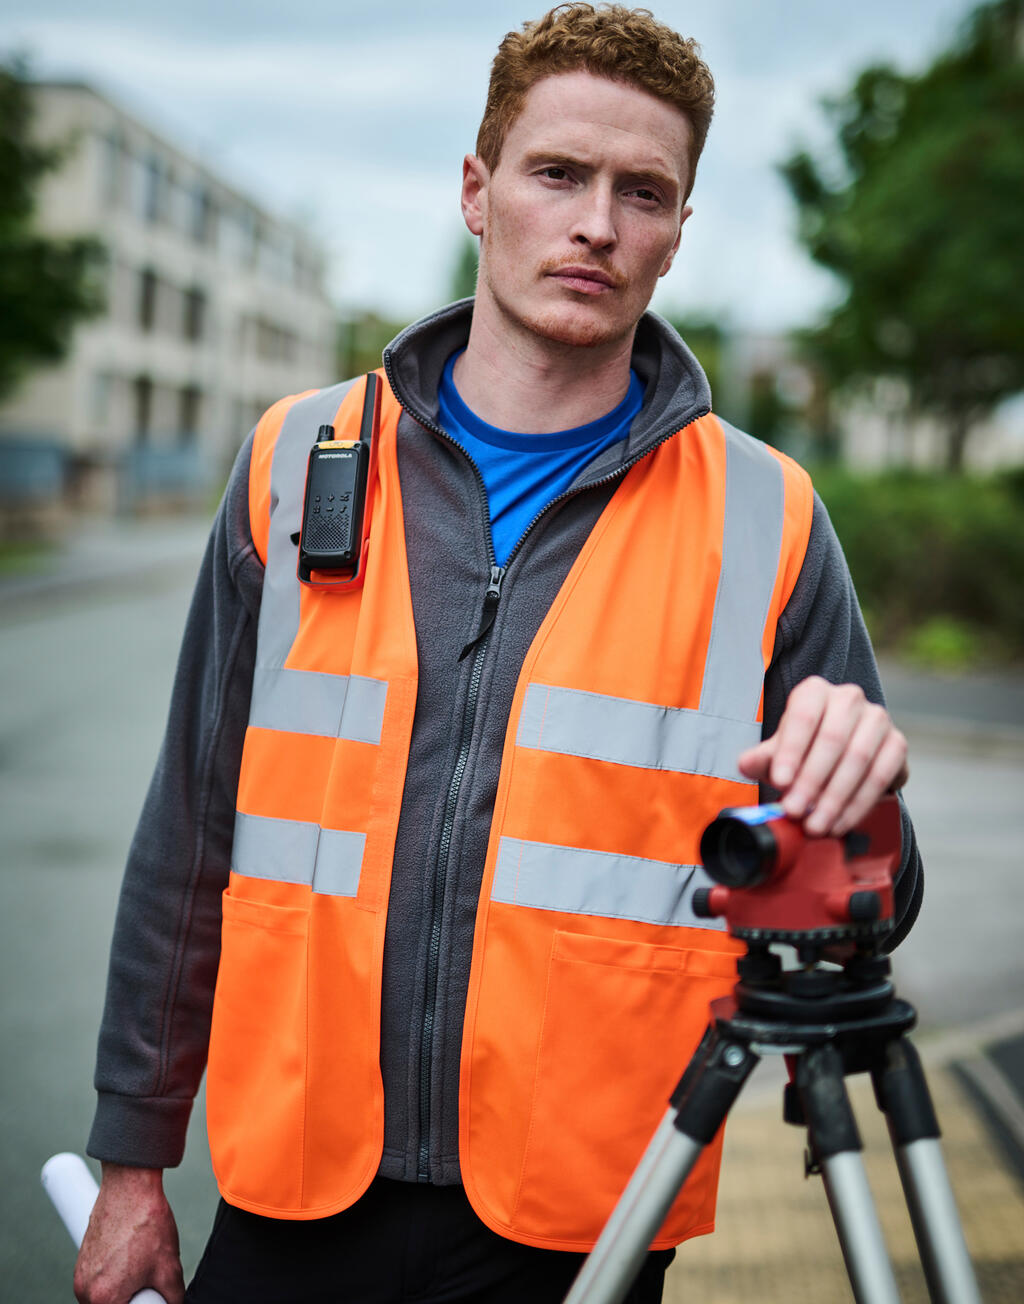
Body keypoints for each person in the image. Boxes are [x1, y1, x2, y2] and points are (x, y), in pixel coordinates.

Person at [74, 6, 921, 1303]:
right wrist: (132, 1159)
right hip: (294, 1186)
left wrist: (861, 809)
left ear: (679, 231)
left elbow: (867, 909)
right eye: (558, 174)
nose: (597, 223)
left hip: (582, 1218)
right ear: (478, 191)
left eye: (644, 192)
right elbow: (190, 836)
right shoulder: (297, 463)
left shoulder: (770, 518)